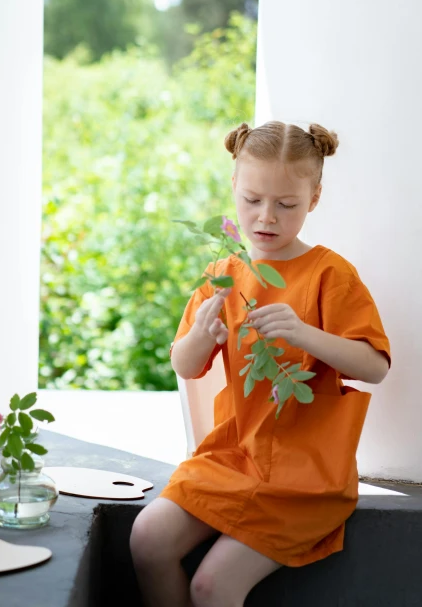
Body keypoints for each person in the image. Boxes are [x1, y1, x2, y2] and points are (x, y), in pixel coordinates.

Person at [130, 121, 391, 607]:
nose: (266, 217)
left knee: (212, 586)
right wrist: (199, 335)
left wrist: (304, 333)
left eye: (286, 204)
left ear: (313, 197)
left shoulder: (329, 274)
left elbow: (374, 366)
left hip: (306, 474)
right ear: (233, 186)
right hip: (232, 455)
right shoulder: (224, 273)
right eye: (251, 200)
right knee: (147, 540)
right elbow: (185, 366)